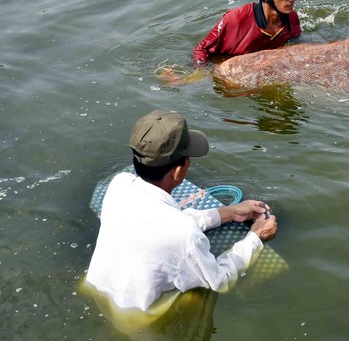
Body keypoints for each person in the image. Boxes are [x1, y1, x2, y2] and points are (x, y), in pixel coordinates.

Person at [85, 110, 278, 312]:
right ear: (178, 172)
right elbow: (221, 281)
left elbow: (159, 226)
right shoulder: (185, 235)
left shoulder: (119, 184)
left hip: (95, 289)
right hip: (136, 317)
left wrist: (230, 212)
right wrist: (256, 237)